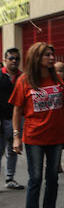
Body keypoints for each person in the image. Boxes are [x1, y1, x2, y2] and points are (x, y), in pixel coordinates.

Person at [9, 42, 64, 208]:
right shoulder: (25, 80)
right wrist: (16, 137)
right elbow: (17, 109)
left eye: (52, 55)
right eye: (47, 55)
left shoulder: (57, 78)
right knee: (35, 178)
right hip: (34, 137)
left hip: (55, 137)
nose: (52, 58)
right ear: (37, 57)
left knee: (53, 177)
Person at [0, 48, 24, 190]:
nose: (14, 61)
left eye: (17, 58)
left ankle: (10, 178)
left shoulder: (23, 77)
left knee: (13, 150)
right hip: (1, 119)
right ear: (5, 60)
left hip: (15, 120)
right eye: (11, 58)